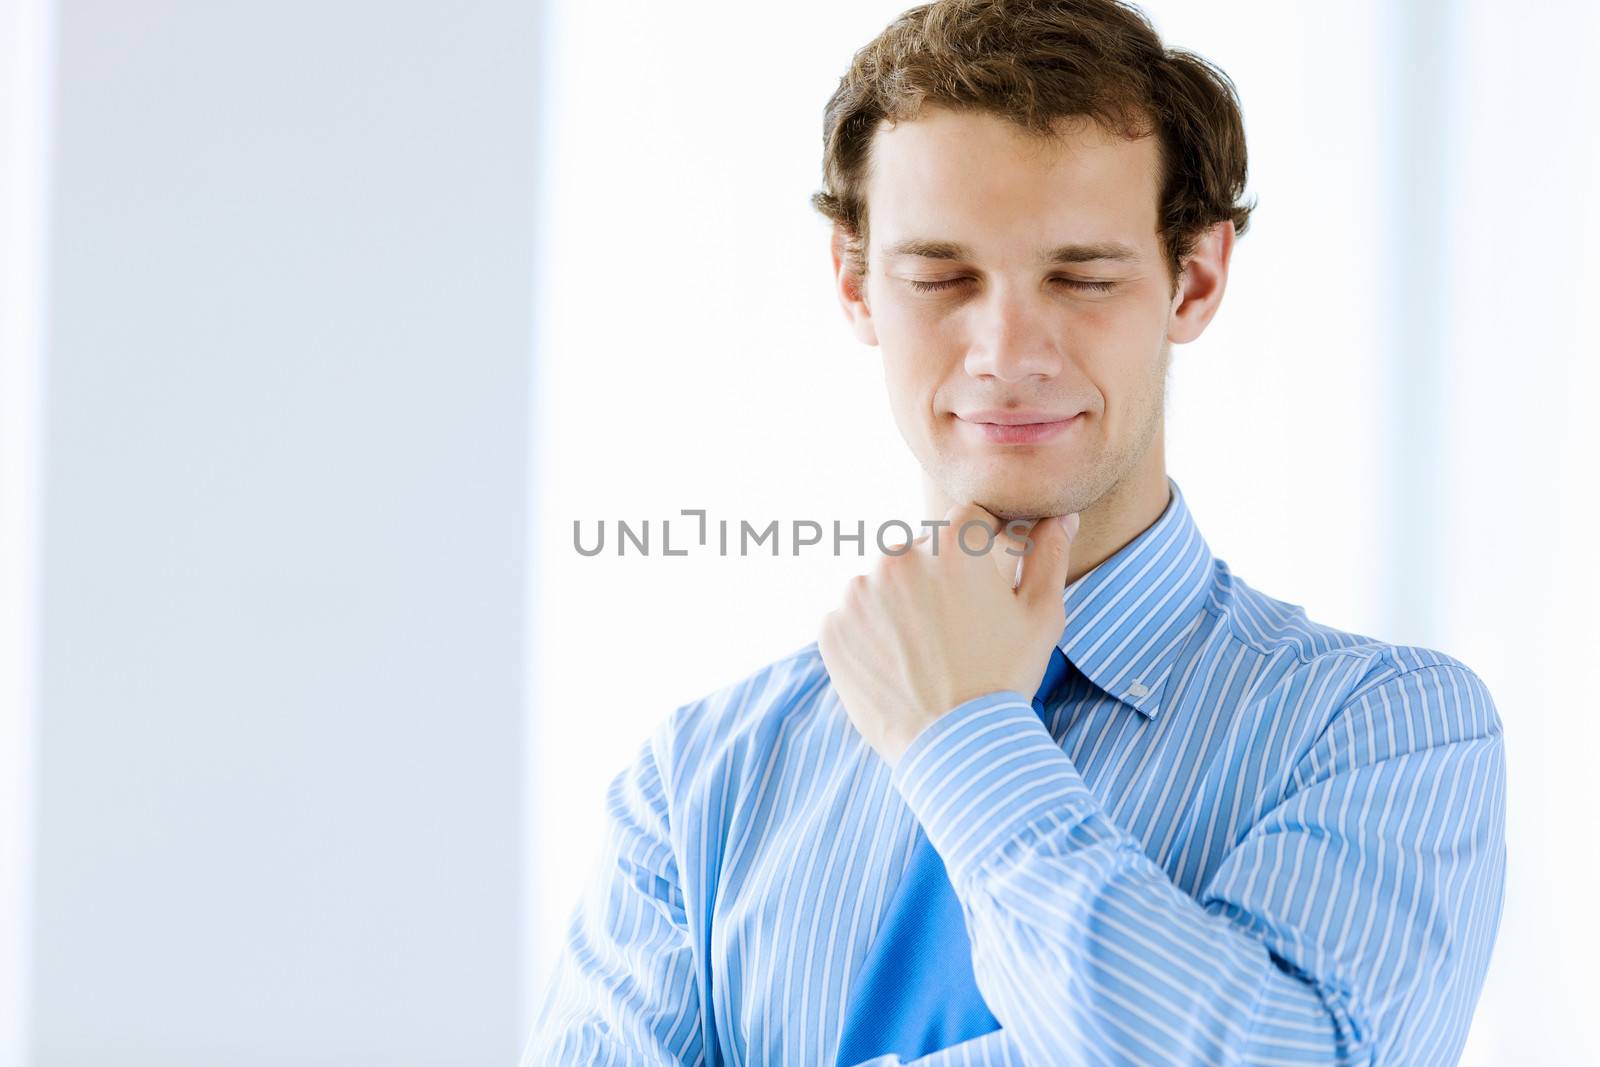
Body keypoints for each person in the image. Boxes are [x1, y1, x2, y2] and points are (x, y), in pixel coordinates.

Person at [521, 1, 1506, 1063]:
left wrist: (963, 738)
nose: (1005, 350)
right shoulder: (696, 782)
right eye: (939, 276)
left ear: (1198, 276)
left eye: (1080, 277)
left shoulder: (1383, 730)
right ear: (854, 281)